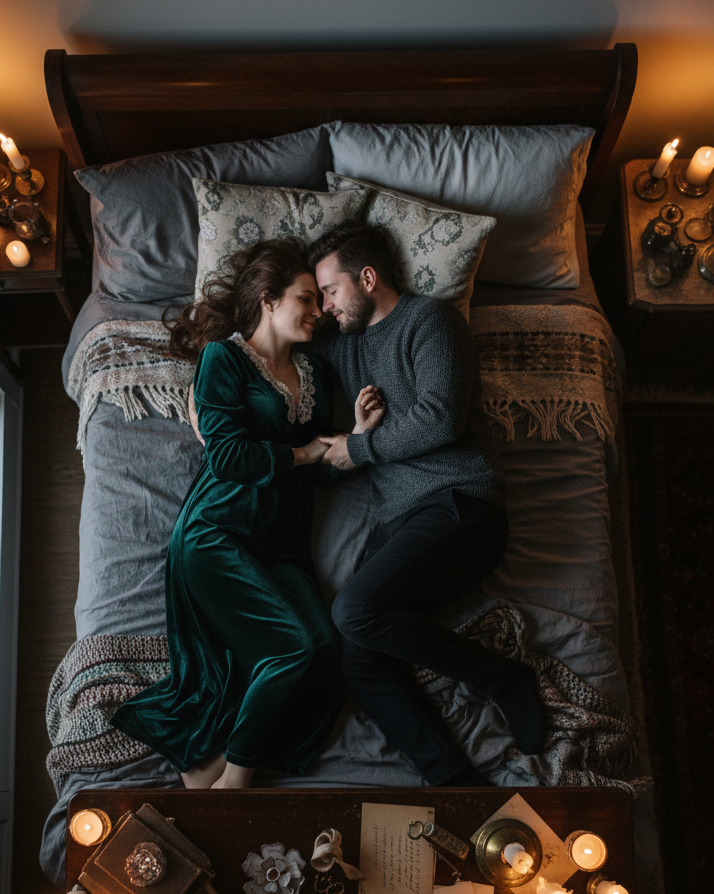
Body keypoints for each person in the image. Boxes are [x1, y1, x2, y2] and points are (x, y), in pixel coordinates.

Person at [110, 237, 385, 789]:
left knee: (325, 650)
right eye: (306, 298)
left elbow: (318, 471)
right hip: (217, 533)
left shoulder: (315, 373)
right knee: (293, 648)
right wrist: (305, 450)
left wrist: (351, 442)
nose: (318, 311)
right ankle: (235, 781)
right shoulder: (224, 359)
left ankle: (216, 765)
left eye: (318, 299)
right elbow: (230, 456)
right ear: (268, 299)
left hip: (279, 540)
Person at [306, 220, 546, 786]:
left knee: (353, 611)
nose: (325, 306)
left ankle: (503, 679)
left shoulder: (431, 320)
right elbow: (272, 324)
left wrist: (359, 447)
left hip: (462, 505)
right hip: (405, 523)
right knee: (353, 648)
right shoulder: (345, 342)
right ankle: (454, 782)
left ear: (368, 278)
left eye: (331, 291)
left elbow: (440, 419)